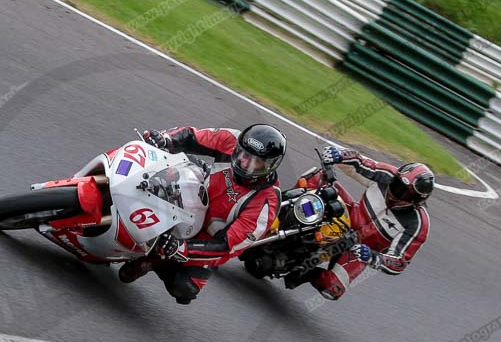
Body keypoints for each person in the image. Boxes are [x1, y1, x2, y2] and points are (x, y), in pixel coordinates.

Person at [119, 124, 286, 304]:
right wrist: (165, 139)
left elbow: (225, 245)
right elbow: (193, 136)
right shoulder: (232, 139)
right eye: (244, 155)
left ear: (271, 166)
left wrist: (182, 247)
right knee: (163, 172)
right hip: (194, 194)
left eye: (256, 162)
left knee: (185, 288)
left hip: (207, 236)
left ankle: (153, 261)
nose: (245, 163)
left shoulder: (267, 203)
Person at [288, 145, 433, 300]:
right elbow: (361, 163)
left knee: (332, 289)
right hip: (349, 215)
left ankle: (307, 273)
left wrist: (371, 256)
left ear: (414, 200)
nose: (393, 188)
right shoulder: (387, 175)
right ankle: (283, 211)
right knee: (316, 176)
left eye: (401, 190)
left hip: (359, 249)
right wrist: (339, 156)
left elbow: (398, 262)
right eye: (396, 182)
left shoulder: (418, 224)